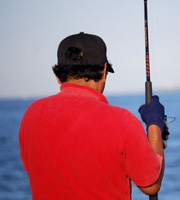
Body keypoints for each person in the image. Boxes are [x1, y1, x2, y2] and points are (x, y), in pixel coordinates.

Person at [19, 32, 165, 200]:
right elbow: (151, 185)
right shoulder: (122, 121)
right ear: (103, 71)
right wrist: (155, 124)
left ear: (58, 77)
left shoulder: (31, 115)